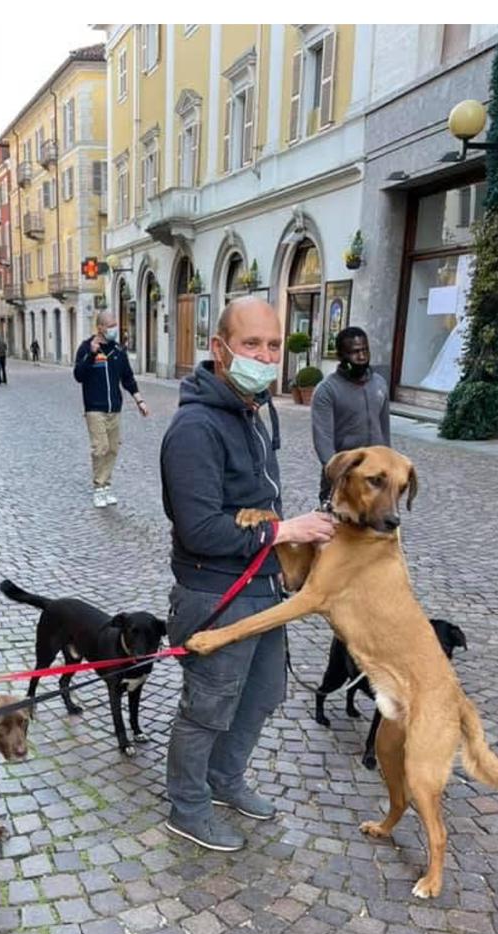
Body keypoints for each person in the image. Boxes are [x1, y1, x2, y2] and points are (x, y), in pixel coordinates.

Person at [158, 295, 336, 851]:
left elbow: (261, 496)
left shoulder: (257, 412)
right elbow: (200, 530)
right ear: (220, 348)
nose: (265, 355)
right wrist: (284, 532)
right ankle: (186, 807)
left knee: (261, 695)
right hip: (215, 593)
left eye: (274, 345)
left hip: (264, 587)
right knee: (207, 708)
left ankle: (223, 780)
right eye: (251, 344)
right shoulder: (194, 428)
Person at [72, 311, 147, 507]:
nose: (114, 328)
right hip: (94, 408)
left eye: (115, 324)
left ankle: (106, 487)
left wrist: (140, 401)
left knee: (113, 449)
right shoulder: (86, 348)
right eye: (111, 325)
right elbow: (78, 375)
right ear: (100, 328)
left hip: (114, 407)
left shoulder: (118, 352)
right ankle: (98, 488)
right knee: (101, 447)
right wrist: (91, 354)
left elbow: (128, 378)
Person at [310, 326, 390, 500]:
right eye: (354, 352)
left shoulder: (380, 384)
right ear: (340, 356)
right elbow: (323, 442)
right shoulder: (326, 390)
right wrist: (339, 476)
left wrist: (388, 465)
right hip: (342, 479)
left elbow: (385, 431)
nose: (361, 357)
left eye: (365, 350)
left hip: (376, 477)